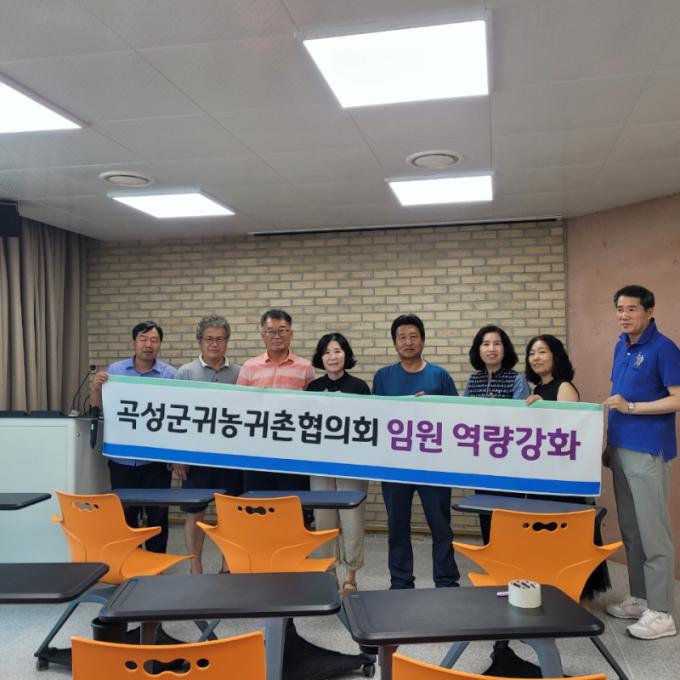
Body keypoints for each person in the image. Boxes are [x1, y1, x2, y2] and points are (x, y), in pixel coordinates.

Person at [602, 285, 680, 640]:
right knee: (632, 530)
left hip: (648, 450)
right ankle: (640, 597)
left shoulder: (664, 348)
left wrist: (632, 408)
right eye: (620, 309)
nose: (624, 315)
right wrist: (609, 444)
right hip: (621, 448)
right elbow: (616, 397)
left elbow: (677, 399)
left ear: (649, 311)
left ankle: (661, 613)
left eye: (631, 309)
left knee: (654, 533)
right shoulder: (621, 346)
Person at [373, 314, 460, 589]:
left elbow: (456, 417)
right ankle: (400, 582)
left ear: (423, 340)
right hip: (395, 465)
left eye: (413, 336)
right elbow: (378, 417)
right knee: (397, 527)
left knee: (441, 525)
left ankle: (446, 581)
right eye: (402, 337)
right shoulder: (383, 377)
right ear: (394, 343)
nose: (408, 342)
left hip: (433, 465)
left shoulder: (440, 376)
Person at [526, 334, 611, 600]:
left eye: (542, 351)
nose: (536, 357)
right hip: (544, 474)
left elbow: (567, 432)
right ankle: (554, 589)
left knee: (569, 535)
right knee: (546, 535)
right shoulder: (536, 391)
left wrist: (542, 410)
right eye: (532, 353)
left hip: (564, 477)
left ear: (556, 356)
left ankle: (578, 594)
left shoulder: (564, 387)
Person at [90, 320, 176, 553]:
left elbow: (175, 417)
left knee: (157, 514)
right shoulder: (115, 371)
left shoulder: (170, 375)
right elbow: (98, 409)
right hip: (122, 458)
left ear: (160, 344)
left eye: (154, 340)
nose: (148, 344)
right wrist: (96, 388)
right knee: (126, 513)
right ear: (133, 343)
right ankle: (131, 559)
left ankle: (156, 562)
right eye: (143, 339)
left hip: (156, 459)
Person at [173, 315, 242, 574]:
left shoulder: (240, 373)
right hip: (195, 458)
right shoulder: (185, 372)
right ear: (200, 341)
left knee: (230, 515)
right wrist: (177, 457)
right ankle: (196, 566)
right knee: (195, 513)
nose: (214, 344)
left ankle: (227, 565)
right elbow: (175, 417)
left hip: (231, 457)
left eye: (220, 339)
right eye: (209, 339)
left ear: (227, 341)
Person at [306, 332, 370, 593]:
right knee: (323, 519)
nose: (332, 357)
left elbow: (368, 425)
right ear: (320, 358)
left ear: (346, 355)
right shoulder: (312, 388)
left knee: (353, 518)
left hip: (351, 464)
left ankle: (351, 574)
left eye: (337, 351)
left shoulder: (360, 387)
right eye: (327, 352)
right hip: (320, 463)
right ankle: (329, 572)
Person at [464, 325, 531, 543]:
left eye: (497, 343)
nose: (491, 349)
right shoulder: (473, 380)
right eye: (486, 344)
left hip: (510, 462)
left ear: (505, 348)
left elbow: (522, 422)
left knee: (510, 516)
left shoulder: (517, 379)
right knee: (486, 516)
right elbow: (464, 417)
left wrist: (496, 411)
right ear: (478, 350)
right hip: (482, 461)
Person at [236, 309, 315, 494]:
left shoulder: (305, 367)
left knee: (293, 501)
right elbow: (239, 405)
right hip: (256, 450)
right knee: (257, 503)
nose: (277, 336)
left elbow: (312, 408)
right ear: (263, 335)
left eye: (282, 330)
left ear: (291, 333)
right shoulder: (249, 367)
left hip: (293, 451)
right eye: (271, 331)